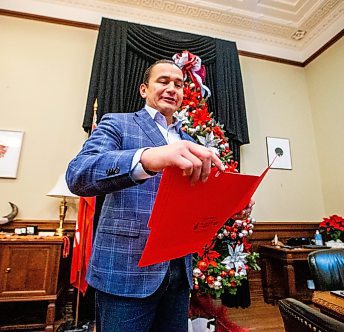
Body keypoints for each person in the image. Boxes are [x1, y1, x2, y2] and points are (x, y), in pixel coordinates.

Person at [66, 59, 254, 331]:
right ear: (144, 89)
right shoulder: (118, 124)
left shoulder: (192, 141)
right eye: (163, 81)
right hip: (126, 271)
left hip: (178, 274)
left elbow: (198, 204)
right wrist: (149, 157)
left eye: (178, 84)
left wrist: (229, 208)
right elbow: (78, 174)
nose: (172, 89)